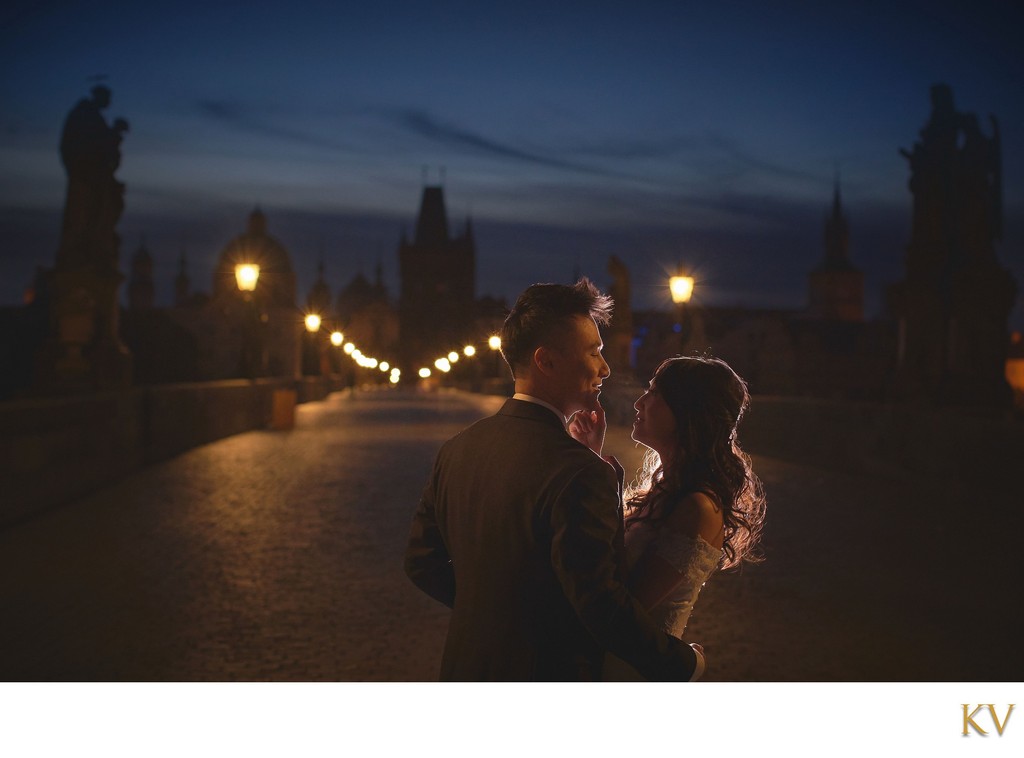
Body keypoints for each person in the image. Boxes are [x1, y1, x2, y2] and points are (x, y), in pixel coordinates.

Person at [404, 279, 705, 681]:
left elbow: (421, 562)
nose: (606, 368)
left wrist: (495, 614)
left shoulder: (457, 448)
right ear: (546, 362)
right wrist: (685, 664)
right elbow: (600, 603)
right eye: (594, 352)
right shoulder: (579, 472)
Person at [570, 355, 766, 680]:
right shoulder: (665, 489)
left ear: (687, 412)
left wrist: (605, 491)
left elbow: (623, 605)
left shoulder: (697, 508)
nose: (639, 403)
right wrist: (591, 455)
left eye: (654, 393)